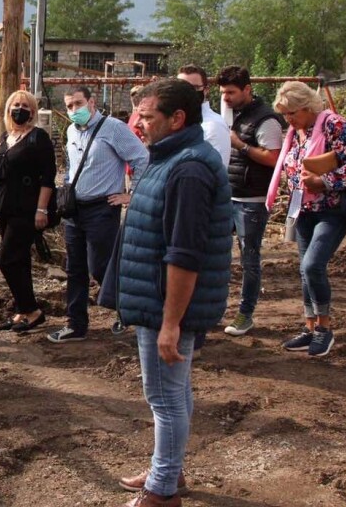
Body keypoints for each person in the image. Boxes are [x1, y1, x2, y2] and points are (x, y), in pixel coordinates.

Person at [109, 78, 232, 507]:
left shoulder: (189, 168)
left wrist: (170, 323)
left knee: (163, 396)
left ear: (177, 119)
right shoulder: (173, 158)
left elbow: (185, 254)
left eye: (147, 116)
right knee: (174, 392)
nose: (138, 124)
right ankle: (169, 466)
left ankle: (161, 492)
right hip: (158, 299)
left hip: (167, 304)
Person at [266, 81, 346, 357]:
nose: (288, 120)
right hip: (305, 210)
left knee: (313, 265)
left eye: (292, 113)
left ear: (308, 107)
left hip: (333, 208)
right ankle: (309, 328)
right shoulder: (297, 132)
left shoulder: (334, 125)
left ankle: (325, 329)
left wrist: (323, 181)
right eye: (285, 115)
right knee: (304, 270)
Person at [47, 87, 149, 344]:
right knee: (74, 268)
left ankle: (130, 311)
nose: (73, 110)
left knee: (101, 267)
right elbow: (71, 166)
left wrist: (132, 195)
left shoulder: (113, 128)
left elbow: (141, 159)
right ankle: (75, 324)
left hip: (102, 209)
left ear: (92, 102)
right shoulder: (71, 131)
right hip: (75, 210)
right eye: (69, 106)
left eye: (78, 104)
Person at [217, 66, 285, 336]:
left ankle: (245, 314)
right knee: (217, 255)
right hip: (227, 195)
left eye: (231, 92)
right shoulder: (230, 114)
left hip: (251, 201)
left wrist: (240, 145)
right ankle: (214, 309)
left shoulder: (265, 120)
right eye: (222, 93)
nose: (226, 98)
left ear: (247, 89)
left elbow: (273, 158)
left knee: (249, 259)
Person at [0, 90, 56, 333]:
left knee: (6, 260)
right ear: (7, 110)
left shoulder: (39, 138)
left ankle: (33, 310)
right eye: (15, 104)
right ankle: (22, 310)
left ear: (33, 111)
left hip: (27, 209)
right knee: (20, 262)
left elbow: (48, 177)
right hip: (5, 207)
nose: (19, 109)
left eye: (25, 105)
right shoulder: (7, 137)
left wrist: (41, 209)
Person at [176, 65, 229, 165]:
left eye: (194, 87)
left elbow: (216, 170)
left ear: (206, 90)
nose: (187, 92)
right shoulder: (176, 121)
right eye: (182, 87)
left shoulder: (213, 126)